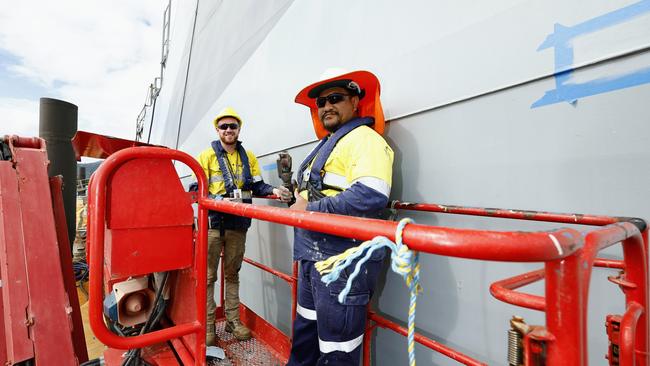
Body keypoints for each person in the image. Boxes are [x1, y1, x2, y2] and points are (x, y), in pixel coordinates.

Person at [287, 70, 394, 365]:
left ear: (356, 102)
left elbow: (371, 194)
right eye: (321, 102)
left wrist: (307, 211)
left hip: (342, 264)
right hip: (314, 256)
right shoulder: (332, 142)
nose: (326, 107)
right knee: (307, 332)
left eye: (335, 99)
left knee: (338, 350)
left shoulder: (365, 140)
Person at [196, 106, 292, 346]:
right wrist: (220, 201)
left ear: (239, 129)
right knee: (208, 277)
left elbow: (257, 186)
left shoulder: (248, 157)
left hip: (238, 224)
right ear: (217, 130)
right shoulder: (206, 157)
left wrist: (275, 190)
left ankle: (232, 320)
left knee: (232, 273)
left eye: (233, 126)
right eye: (224, 126)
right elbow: (198, 190)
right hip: (214, 224)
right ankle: (208, 325)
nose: (229, 130)